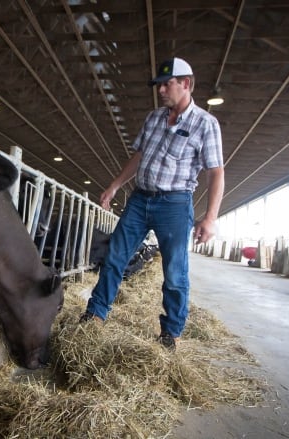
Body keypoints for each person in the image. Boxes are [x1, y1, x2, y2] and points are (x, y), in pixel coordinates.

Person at [80, 57, 225, 351]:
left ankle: (171, 332)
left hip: (174, 204)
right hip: (140, 199)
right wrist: (115, 185)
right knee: (114, 257)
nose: (160, 91)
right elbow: (139, 156)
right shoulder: (154, 118)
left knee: (174, 271)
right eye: (159, 85)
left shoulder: (205, 124)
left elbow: (216, 172)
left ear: (185, 84)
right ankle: (96, 314)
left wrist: (210, 217)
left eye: (166, 85)